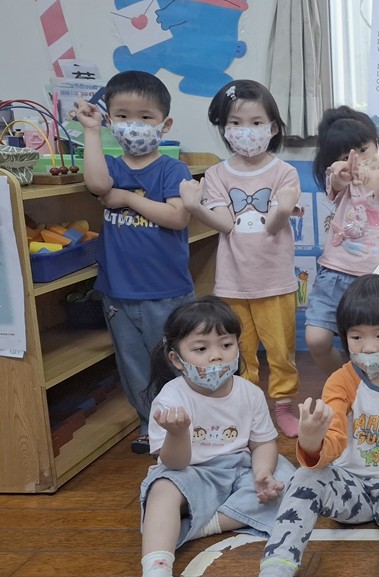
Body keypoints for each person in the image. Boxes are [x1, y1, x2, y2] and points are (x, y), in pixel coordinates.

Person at [260, 274, 379, 577]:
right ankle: (276, 567)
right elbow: (333, 437)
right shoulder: (341, 380)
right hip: (351, 488)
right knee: (305, 477)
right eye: (356, 337)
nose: (368, 348)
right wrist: (311, 443)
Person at [73, 70, 195, 454]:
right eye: (123, 116)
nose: (134, 125)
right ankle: (150, 424)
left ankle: (186, 422)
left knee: (174, 361)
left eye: (145, 117)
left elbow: (177, 217)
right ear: (111, 120)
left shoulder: (172, 169)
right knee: (134, 365)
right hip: (119, 294)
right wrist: (92, 131)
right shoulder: (111, 166)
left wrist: (127, 199)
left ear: (164, 124)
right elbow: (97, 185)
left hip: (167, 292)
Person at [179, 80, 303, 437]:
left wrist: (282, 210)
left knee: (280, 352)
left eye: (255, 122)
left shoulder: (284, 172)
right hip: (233, 283)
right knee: (238, 351)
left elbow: (274, 225)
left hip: (275, 282)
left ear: (272, 127)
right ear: (224, 128)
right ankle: (246, 408)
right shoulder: (217, 174)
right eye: (235, 123)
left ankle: (283, 406)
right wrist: (194, 207)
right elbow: (226, 224)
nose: (245, 130)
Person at [139, 297, 295, 577]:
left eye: (226, 345)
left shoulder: (250, 393)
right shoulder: (171, 398)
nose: (216, 356)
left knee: (290, 481)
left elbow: (262, 442)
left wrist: (263, 472)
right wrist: (177, 433)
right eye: (201, 348)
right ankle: (156, 568)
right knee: (162, 490)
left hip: (239, 469)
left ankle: (205, 524)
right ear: (176, 359)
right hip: (191, 472)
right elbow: (174, 464)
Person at [304, 106, 379, 376]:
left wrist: (369, 176)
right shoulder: (340, 181)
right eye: (346, 155)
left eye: (363, 149)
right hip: (332, 275)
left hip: (370, 282)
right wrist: (341, 173)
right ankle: (343, 382)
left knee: (368, 347)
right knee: (316, 340)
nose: (358, 159)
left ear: (378, 145)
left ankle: (367, 385)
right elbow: (336, 183)